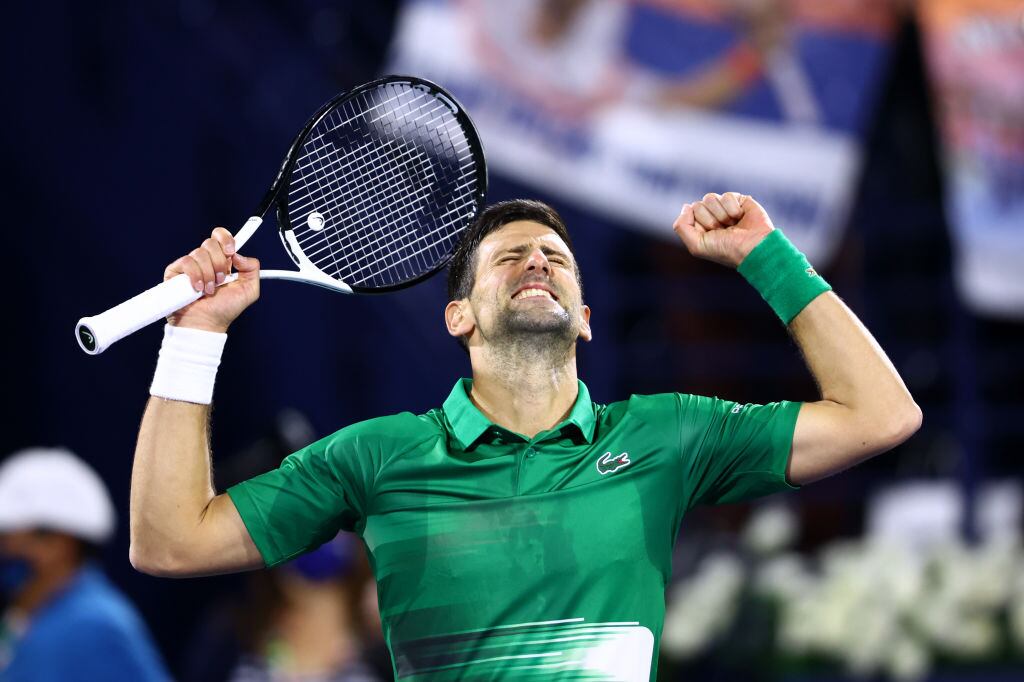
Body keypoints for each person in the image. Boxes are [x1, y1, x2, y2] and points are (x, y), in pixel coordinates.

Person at [128, 193, 921, 681]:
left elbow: (881, 415)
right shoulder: (376, 456)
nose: (538, 262)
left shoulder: (667, 434)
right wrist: (195, 335)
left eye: (556, 258)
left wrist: (767, 258)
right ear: (459, 317)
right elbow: (169, 542)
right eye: (509, 259)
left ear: (584, 317)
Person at [0, 447, 170, 681]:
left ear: (59, 543)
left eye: (5, 538)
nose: (4, 551)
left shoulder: (94, 624)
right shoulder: (27, 616)